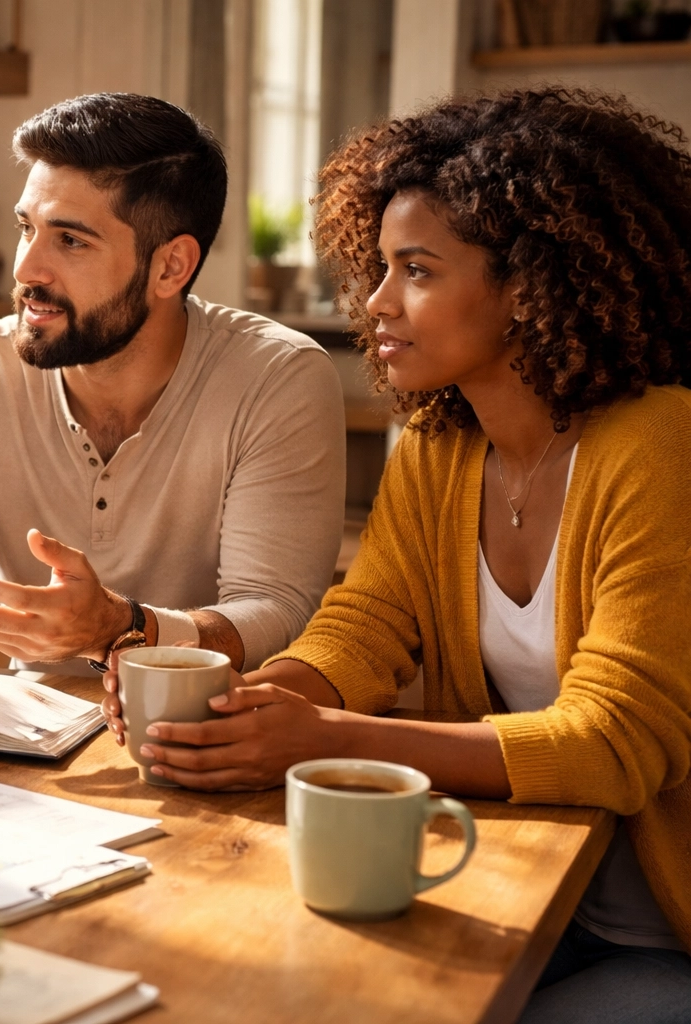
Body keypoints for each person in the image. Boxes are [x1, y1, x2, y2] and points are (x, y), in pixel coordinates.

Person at [101, 88, 691, 1018]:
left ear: (535, 281)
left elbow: (617, 744)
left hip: (667, 933)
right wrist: (250, 704)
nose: (375, 302)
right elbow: (369, 625)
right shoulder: (440, 445)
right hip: (529, 893)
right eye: (377, 266)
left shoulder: (657, 447)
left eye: (417, 270)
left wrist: (327, 739)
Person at [0, 92, 346, 684]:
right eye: (26, 228)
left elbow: (278, 611)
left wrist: (121, 629)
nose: (25, 269)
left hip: (210, 732)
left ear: (171, 267)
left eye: (70, 241)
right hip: (30, 737)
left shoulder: (278, 378)